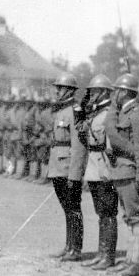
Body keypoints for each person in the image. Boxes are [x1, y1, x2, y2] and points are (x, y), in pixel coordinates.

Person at [105, 73, 139, 276]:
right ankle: (131, 260)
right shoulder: (124, 112)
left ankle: (136, 263)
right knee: (129, 218)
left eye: (117, 90)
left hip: (131, 172)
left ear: (124, 92)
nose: (114, 93)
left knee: (137, 217)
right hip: (121, 171)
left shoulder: (137, 115)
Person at [78, 75, 119, 270]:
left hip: (104, 167)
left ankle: (108, 256)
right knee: (100, 212)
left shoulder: (110, 113)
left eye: (94, 91)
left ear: (103, 92)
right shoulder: (95, 112)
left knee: (108, 212)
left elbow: (111, 144)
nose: (91, 94)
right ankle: (101, 253)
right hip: (94, 167)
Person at [46, 74, 86, 262]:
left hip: (68, 167)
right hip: (58, 165)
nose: (56, 91)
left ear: (69, 90)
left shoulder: (75, 111)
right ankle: (69, 246)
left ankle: (75, 249)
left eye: (60, 88)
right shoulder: (62, 110)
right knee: (67, 209)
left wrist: (75, 174)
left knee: (73, 209)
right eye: (57, 87)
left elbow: (78, 145)